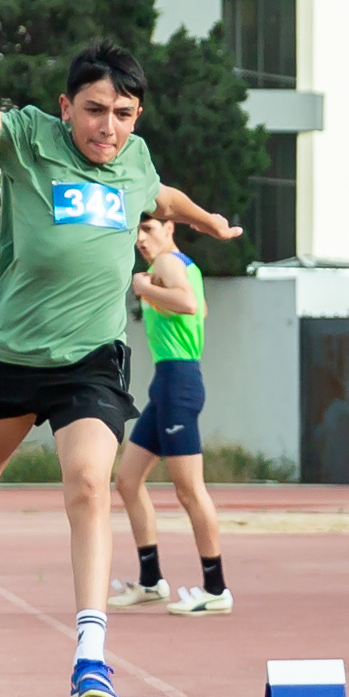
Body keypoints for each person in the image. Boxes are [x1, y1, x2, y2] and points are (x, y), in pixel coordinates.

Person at [0, 41, 243, 697]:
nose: (108, 127)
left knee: (92, 482)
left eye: (123, 113)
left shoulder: (135, 162)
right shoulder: (31, 137)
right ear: (67, 107)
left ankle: (91, 656)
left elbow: (160, 195)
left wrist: (204, 220)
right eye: (94, 110)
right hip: (8, 356)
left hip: (90, 361)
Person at [110, 208, 229, 614]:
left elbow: (188, 304)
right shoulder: (183, 266)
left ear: (169, 228)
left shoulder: (164, 262)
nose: (141, 238)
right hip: (167, 384)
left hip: (179, 382)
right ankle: (150, 582)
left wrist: (144, 288)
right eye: (137, 231)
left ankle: (216, 589)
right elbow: (201, 309)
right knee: (127, 480)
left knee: (189, 490)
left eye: (149, 228)